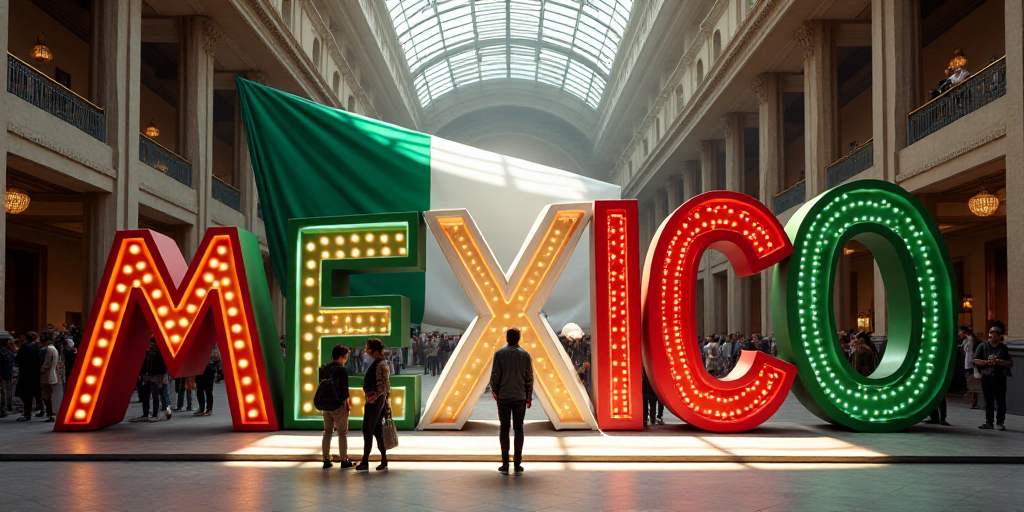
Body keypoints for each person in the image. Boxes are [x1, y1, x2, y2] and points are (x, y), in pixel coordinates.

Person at [490, 327, 533, 476]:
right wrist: (528, 397)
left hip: (504, 397)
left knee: (504, 428)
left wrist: (496, 392)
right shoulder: (525, 355)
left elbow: (495, 376)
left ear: (507, 338)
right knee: (519, 428)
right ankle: (517, 463)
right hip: (520, 397)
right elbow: (529, 378)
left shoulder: (499, 354)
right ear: (519, 338)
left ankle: (505, 463)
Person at [357, 338, 391, 472]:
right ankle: (383, 459)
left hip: (375, 402)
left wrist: (375, 396)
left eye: (367, 346)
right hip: (376, 401)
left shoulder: (380, 364)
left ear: (373, 349)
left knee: (367, 429)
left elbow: (385, 386)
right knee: (376, 430)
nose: (365, 348)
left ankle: (365, 460)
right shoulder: (377, 362)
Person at [321, 344, 353, 469]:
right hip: (339, 405)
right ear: (342, 356)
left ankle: (326, 459)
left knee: (327, 432)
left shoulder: (323, 369)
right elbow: (344, 389)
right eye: (346, 356)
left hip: (325, 405)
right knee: (342, 433)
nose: (346, 359)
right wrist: (347, 403)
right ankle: (344, 459)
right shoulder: (342, 370)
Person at [975, 321, 1012, 431]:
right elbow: (976, 360)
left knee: (1000, 400)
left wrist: (998, 361)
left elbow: (1009, 363)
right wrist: (986, 362)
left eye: (996, 332)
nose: (993, 334)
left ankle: (1000, 422)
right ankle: (989, 422)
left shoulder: (1003, 348)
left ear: (1000, 335)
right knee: (988, 400)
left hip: (1000, 376)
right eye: (991, 332)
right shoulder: (983, 346)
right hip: (987, 376)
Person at [15, 332, 42, 422]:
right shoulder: (38, 347)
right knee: (37, 392)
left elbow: (18, 360)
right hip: (36, 373)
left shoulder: (25, 347)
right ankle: (42, 410)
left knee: (26, 394)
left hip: (26, 373)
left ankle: (27, 413)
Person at [145, 339, 171, 420]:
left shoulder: (156, 354)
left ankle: (155, 414)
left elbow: (161, 367)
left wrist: (161, 378)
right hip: (160, 377)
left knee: (156, 396)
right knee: (164, 394)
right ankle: (167, 409)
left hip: (158, 377)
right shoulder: (159, 353)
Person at [39, 332, 59, 422]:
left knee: (47, 396)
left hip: (47, 375)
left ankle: (50, 414)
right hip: (52, 374)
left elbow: (47, 363)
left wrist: (40, 370)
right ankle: (50, 413)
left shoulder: (49, 350)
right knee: (49, 395)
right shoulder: (54, 349)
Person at [960, 326, 980, 409]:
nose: (958, 334)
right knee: (970, 384)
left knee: (974, 385)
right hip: (967, 365)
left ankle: (974, 402)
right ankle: (972, 401)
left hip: (971, 364)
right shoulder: (964, 341)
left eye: (959, 331)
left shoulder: (971, 340)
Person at [194, 350, 218, 416]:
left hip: (209, 369)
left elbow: (217, 357)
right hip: (199, 368)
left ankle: (209, 408)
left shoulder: (212, 346)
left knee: (208, 390)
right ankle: (201, 408)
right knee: (199, 390)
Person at [0, 338, 15, 418]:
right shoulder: (5, 352)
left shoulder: (7, 352)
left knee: (5, 391)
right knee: (4, 392)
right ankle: (4, 408)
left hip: (6, 373)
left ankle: (5, 407)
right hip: (5, 373)